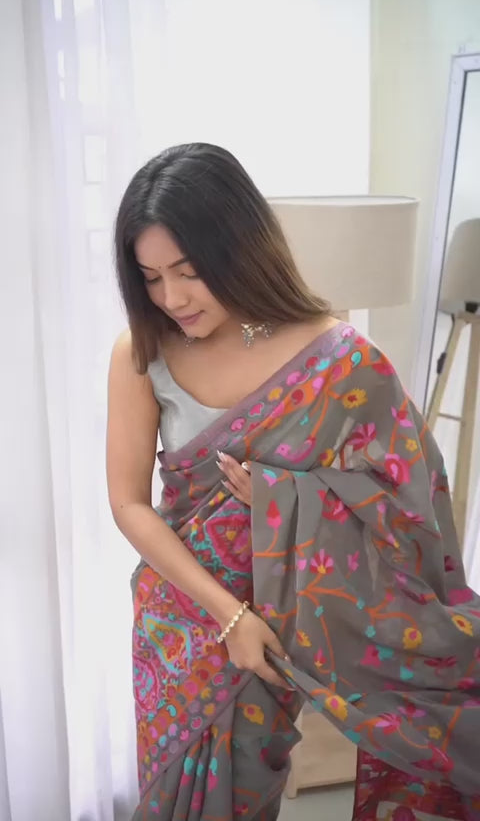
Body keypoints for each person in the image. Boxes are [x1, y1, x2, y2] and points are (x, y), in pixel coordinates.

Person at [106, 143, 480, 821]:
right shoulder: (143, 348)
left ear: (239, 246)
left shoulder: (338, 359)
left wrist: (285, 499)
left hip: (288, 617)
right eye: (151, 276)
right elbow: (128, 503)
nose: (171, 297)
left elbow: (409, 503)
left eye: (189, 271)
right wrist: (230, 617)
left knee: (247, 793)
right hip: (179, 619)